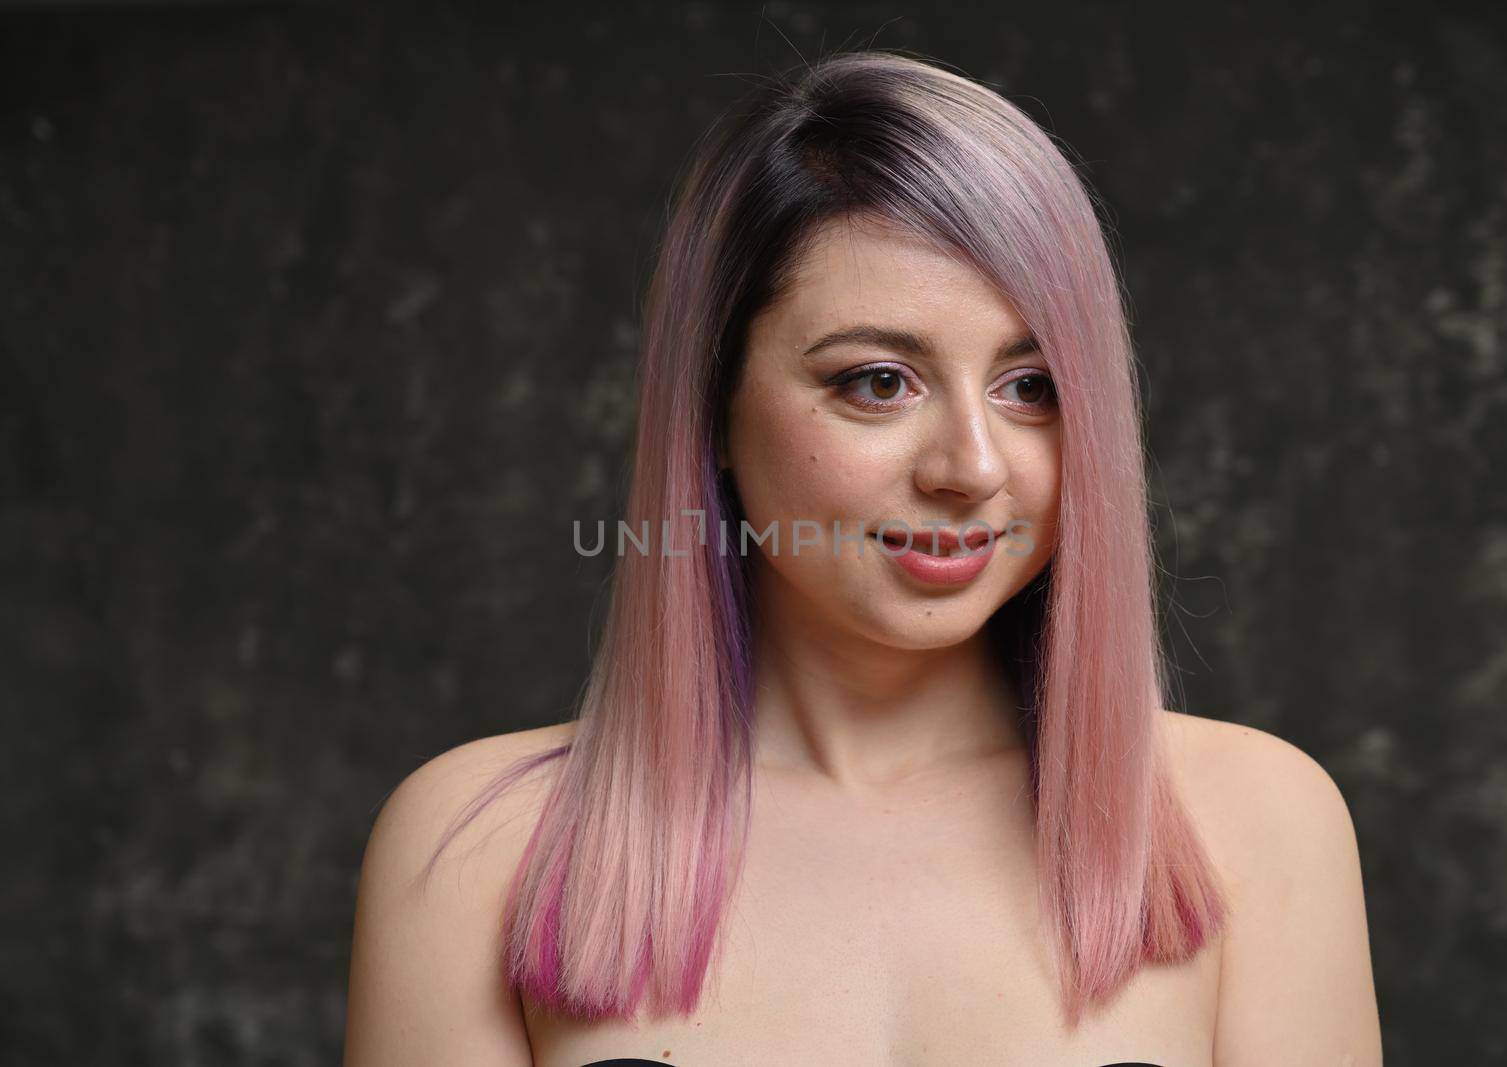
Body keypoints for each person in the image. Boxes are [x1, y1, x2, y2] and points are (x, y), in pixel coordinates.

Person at [343, 48, 1382, 1066]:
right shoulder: (480, 851)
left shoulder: (1255, 823)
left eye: (1032, 387)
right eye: (879, 381)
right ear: (710, 407)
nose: (971, 468)